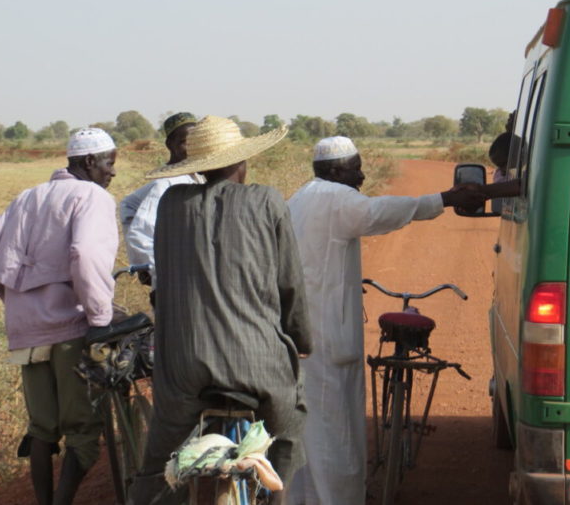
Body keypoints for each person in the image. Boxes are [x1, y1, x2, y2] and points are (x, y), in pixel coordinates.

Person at [286, 136, 487, 505]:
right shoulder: (336, 198)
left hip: (298, 333)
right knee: (335, 434)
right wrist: (444, 199)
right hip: (326, 337)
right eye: (356, 168)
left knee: (307, 430)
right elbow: (381, 213)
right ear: (336, 170)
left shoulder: (302, 196)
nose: (362, 176)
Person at [128, 116, 312, 505]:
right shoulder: (266, 200)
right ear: (242, 162)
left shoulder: (171, 204)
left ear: (196, 167)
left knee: (158, 462)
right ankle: (274, 498)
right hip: (258, 364)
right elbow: (289, 284)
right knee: (289, 428)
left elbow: (163, 279)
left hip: (182, 365)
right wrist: (301, 339)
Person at [0, 128, 118, 505]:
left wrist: (14, 299)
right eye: (109, 163)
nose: (112, 172)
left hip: (27, 332)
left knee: (42, 428)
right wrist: (100, 318)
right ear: (89, 162)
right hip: (70, 329)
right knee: (82, 430)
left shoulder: (28, 197)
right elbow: (87, 254)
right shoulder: (91, 196)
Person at [119, 112, 200, 287]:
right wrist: (150, 267)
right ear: (170, 145)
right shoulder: (167, 184)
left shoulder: (196, 176)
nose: (193, 148)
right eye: (186, 142)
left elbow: (128, 204)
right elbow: (138, 231)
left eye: (197, 142)